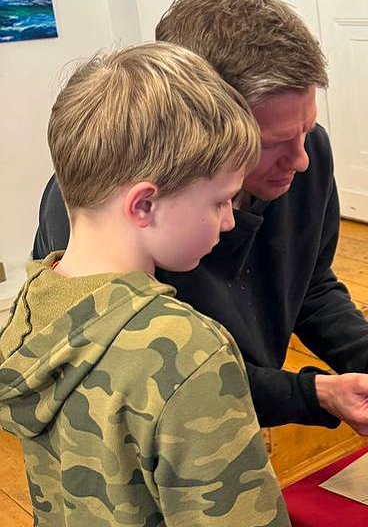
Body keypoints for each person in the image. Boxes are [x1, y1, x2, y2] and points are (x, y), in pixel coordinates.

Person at [31, 0, 368, 434]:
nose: (301, 160)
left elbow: (309, 285)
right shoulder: (97, 214)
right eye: (271, 143)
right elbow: (161, 380)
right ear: (202, 121)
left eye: (308, 129)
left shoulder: (305, 155)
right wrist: (313, 395)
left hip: (239, 418)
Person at [0, 43, 290, 526]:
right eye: (220, 201)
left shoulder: (33, 307)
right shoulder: (190, 350)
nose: (227, 221)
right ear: (144, 205)